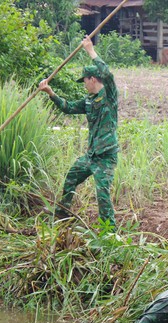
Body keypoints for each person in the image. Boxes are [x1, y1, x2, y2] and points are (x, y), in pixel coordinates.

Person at [38, 35, 119, 229]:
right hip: (91, 155)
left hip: (106, 157)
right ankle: (63, 212)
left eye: (84, 81)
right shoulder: (89, 100)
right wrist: (51, 93)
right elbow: (68, 107)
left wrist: (90, 51)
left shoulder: (109, 95)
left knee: (102, 194)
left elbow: (107, 74)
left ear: (92, 79)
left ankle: (109, 232)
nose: (84, 85)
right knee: (72, 176)